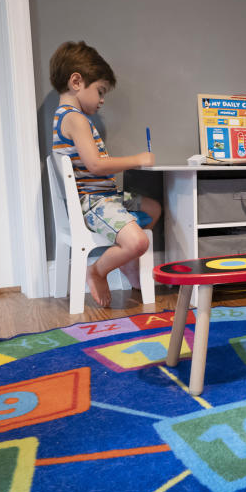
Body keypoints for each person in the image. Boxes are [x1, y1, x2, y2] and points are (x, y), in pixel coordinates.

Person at [50, 40, 161, 307]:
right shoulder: (74, 119)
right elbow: (95, 165)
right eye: (100, 91)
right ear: (76, 82)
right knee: (137, 242)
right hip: (96, 203)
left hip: (110, 198)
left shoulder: (71, 118)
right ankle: (98, 271)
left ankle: (126, 259)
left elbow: (95, 161)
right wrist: (137, 159)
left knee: (153, 208)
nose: (101, 100)